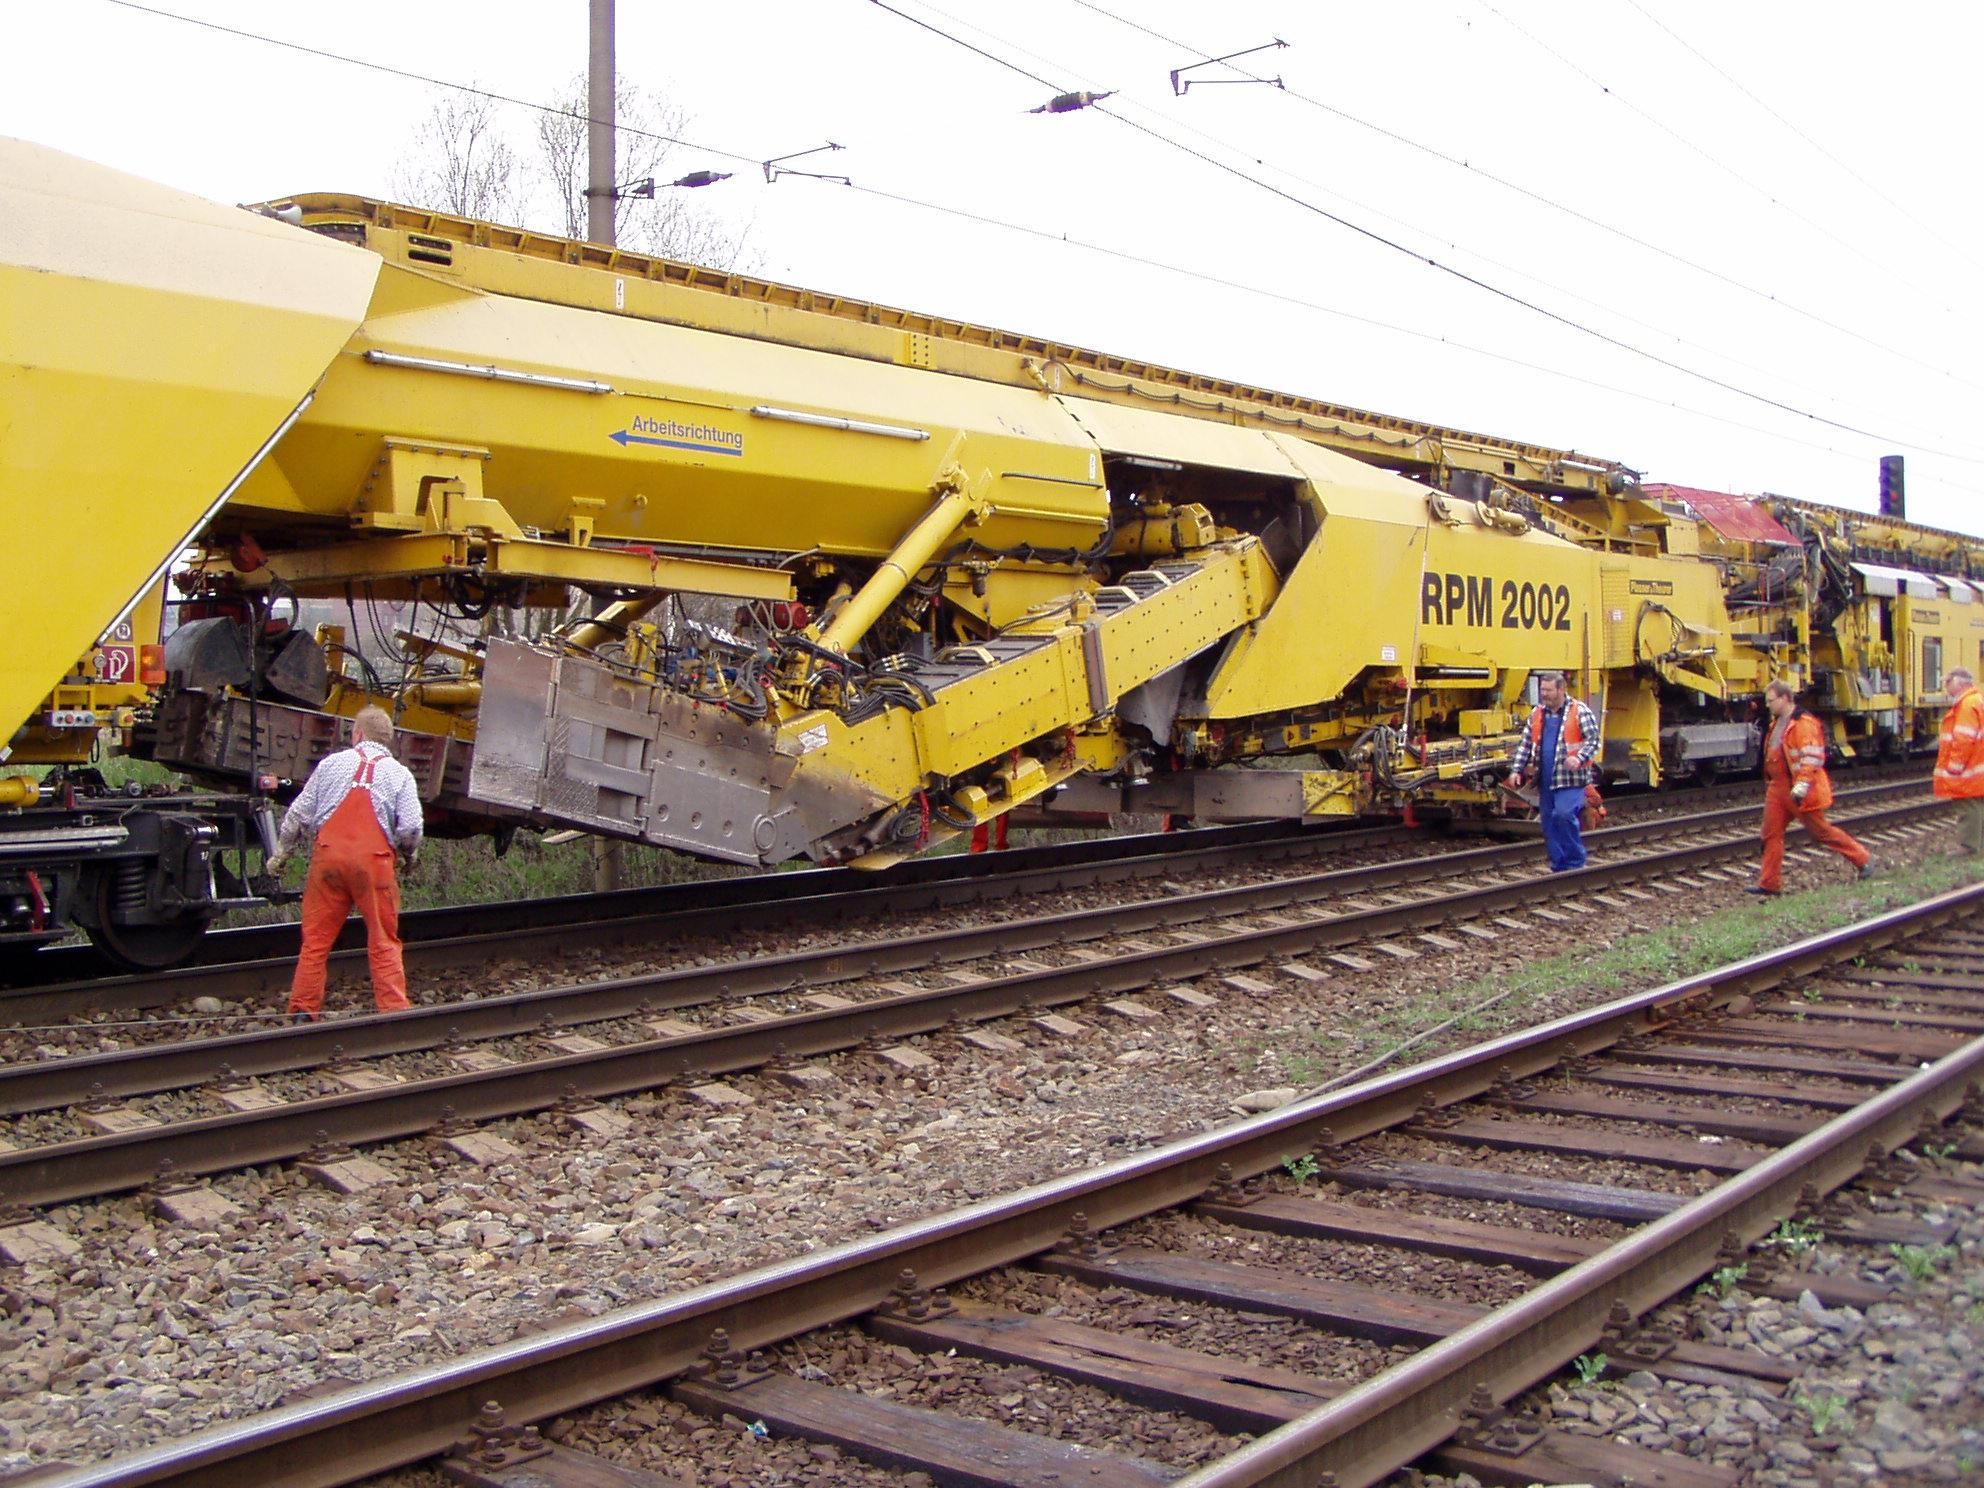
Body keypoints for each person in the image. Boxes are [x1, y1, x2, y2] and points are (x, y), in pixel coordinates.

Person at [267, 705, 424, 1020]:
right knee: (383, 940)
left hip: (329, 860)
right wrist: (409, 855)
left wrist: (282, 852)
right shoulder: (399, 774)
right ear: (387, 741)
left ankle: (302, 1010)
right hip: (374, 865)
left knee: (315, 941)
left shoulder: (331, 764)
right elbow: (410, 827)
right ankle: (393, 1014)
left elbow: (298, 814)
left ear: (358, 734)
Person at [1748, 679, 1873, 896]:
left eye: (1771, 701)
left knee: (1821, 831)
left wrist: (1802, 785)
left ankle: (1863, 859)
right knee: (1770, 834)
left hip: (1796, 788)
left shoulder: (1802, 723)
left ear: (1785, 698)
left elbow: (1812, 756)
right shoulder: (1778, 723)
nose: (1767, 705)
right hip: (1778, 788)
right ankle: (1769, 884)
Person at [1506, 671, 1602, 871]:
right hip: (1546, 779)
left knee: (1564, 815)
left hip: (1571, 779)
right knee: (1549, 823)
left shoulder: (1580, 711)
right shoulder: (1537, 714)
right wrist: (1517, 770)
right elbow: (1525, 745)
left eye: (1548, 690)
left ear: (1561, 689)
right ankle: (1559, 866)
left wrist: (1579, 758)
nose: (1544, 694)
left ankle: (1575, 862)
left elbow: (1594, 741)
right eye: (1542, 689)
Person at [1935, 666, 1984, 856]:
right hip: (1977, 765)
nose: (1946, 687)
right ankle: (1977, 845)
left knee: (1967, 805)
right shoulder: (1977, 700)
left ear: (1958, 682)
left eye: (1948, 682)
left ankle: (1968, 846)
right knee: (1978, 804)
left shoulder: (1966, 705)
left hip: (1968, 768)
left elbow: (1963, 738)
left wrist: (1954, 768)